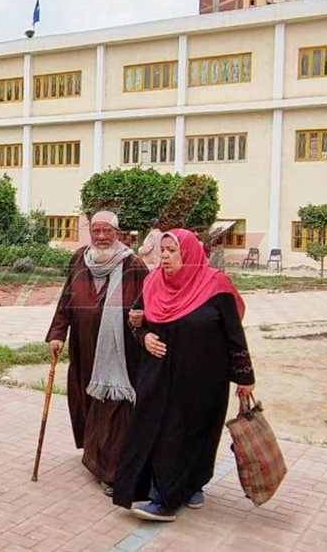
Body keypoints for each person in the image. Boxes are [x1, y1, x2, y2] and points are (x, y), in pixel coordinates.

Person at [112, 228, 255, 522]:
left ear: (188, 253)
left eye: (172, 250)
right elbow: (136, 321)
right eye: (162, 250)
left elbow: (234, 334)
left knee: (198, 433)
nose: (164, 256)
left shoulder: (215, 285)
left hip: (204, 379)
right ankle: (163, 498)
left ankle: (192, 485)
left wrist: (244, 377)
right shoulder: (153, 283)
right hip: (159, 374)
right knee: (163, 433)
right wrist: (143, 336)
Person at [45, 211, 150, 495]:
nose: (101, 237)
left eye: (107, 231)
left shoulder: (133, 265)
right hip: (83, 348)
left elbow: (151, 301)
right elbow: (67, 299)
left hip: (118, 353)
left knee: (112, 407)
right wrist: (58, 333)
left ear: (118, 233)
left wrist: (143, 320)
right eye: (96, 231)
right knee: (86, 401)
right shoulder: (79, 259)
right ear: (90, 232)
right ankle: (94, 455)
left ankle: (111, 471)